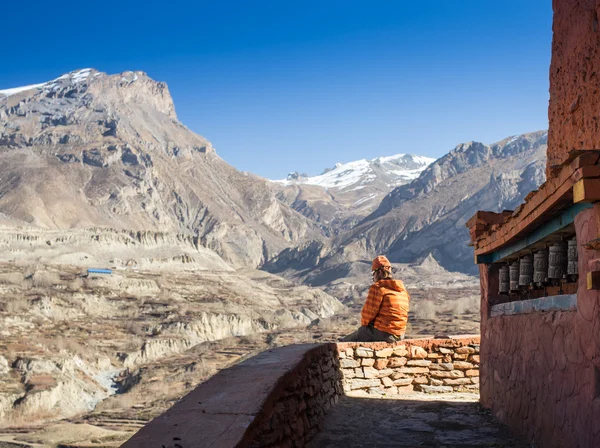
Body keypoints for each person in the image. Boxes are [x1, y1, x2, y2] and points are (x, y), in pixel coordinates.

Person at [341, 255, 410, 343]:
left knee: (357, 335)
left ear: (378, 272)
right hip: (400, 335)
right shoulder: (402, 290)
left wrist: (365, 328)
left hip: (384, 334)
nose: (373, 277)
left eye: (373, 273)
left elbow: (368, 314)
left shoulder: (378, 288)